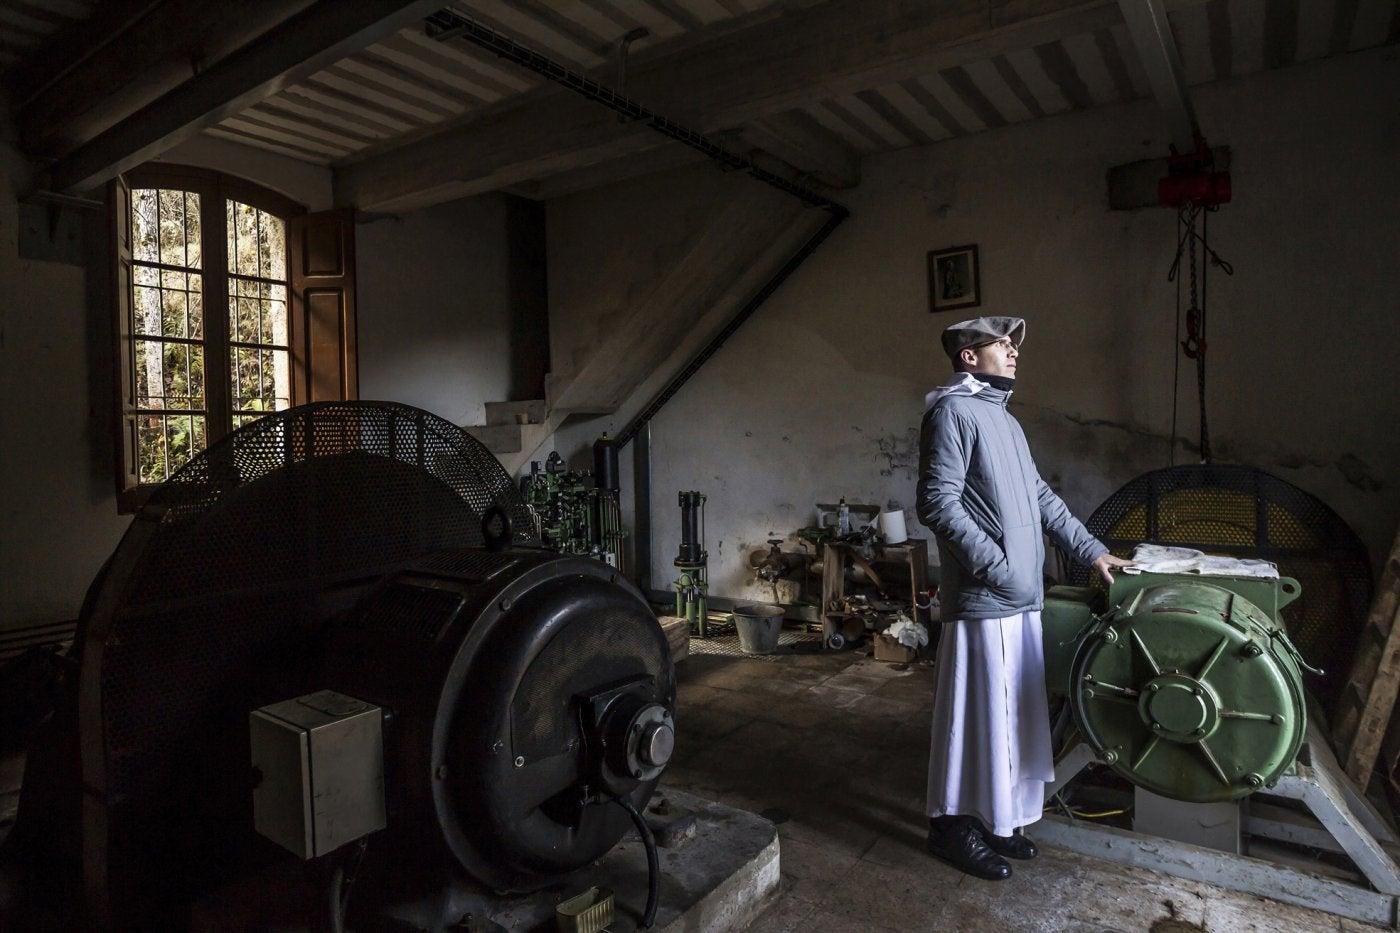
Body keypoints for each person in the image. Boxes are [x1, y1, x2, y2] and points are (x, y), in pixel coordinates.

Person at [916, 316, 1132, 880]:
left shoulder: (1003, 420)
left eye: (1014, 346)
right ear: (969, 357)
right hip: (987, 599)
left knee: (1010, 718)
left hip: (1018, 597)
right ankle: (951, 828)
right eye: (1002, 345)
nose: (1014, 353)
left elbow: (1041, 497)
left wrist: (1093, 552)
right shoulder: (951, 413)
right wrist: (1001, 570)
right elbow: (937, 503)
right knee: (973, 716)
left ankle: (996, 820)